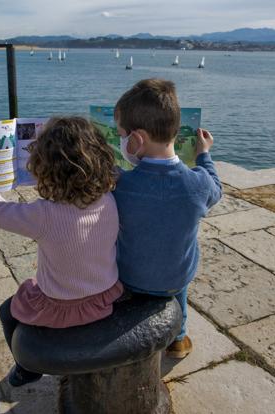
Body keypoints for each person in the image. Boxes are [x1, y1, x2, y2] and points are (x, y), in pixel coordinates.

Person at [0, 116, 123, 387]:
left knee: (7, 312)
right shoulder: (109, 198)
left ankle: (26, 367)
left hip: (62, 306)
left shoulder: (43, 215)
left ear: (43, 169)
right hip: (104, 297)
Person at [112, 78, 221, 359]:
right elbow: (216, 189)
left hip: (130, 277)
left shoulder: (122, 184)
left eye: (121, 136)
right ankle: (178, 340)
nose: (120, 141)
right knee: (180, 286)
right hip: (176, 277)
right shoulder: (198, 185)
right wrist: (204, 155)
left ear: (137, 139)